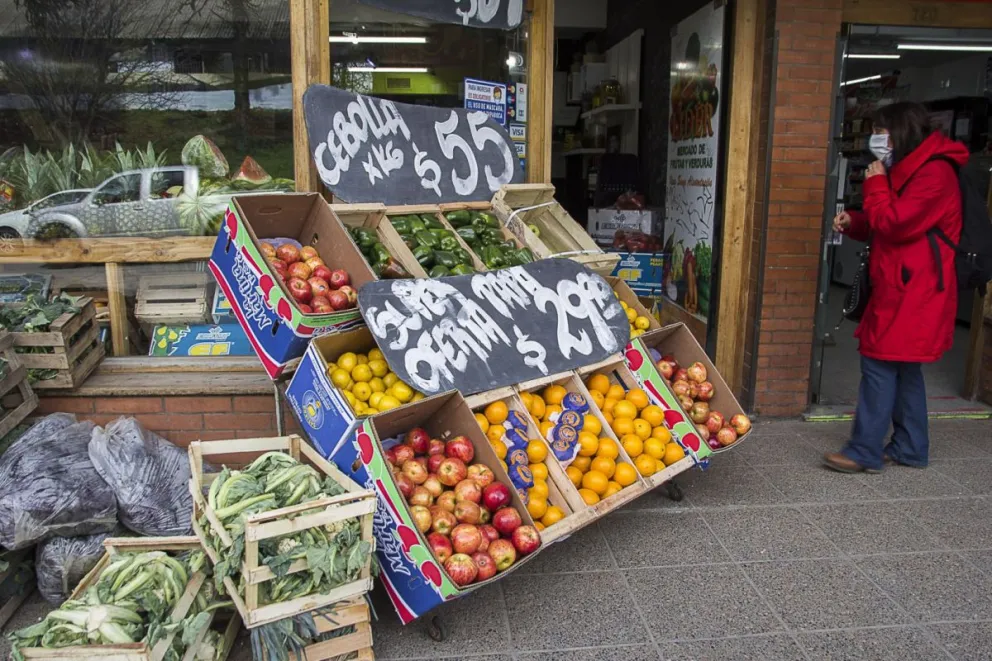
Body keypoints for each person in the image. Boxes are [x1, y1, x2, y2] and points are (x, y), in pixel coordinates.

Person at [824, 101, 968, 473]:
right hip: (903, 284)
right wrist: (855, 222)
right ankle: (910, 447)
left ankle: (864, 451)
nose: (875, 139)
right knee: (903, 370)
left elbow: (896, 223)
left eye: (880, 131)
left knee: (879, 363)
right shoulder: (910, 168)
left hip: (914, 291)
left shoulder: (934, 173)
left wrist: (874, 184)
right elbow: (884, 222)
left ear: (900, 132)